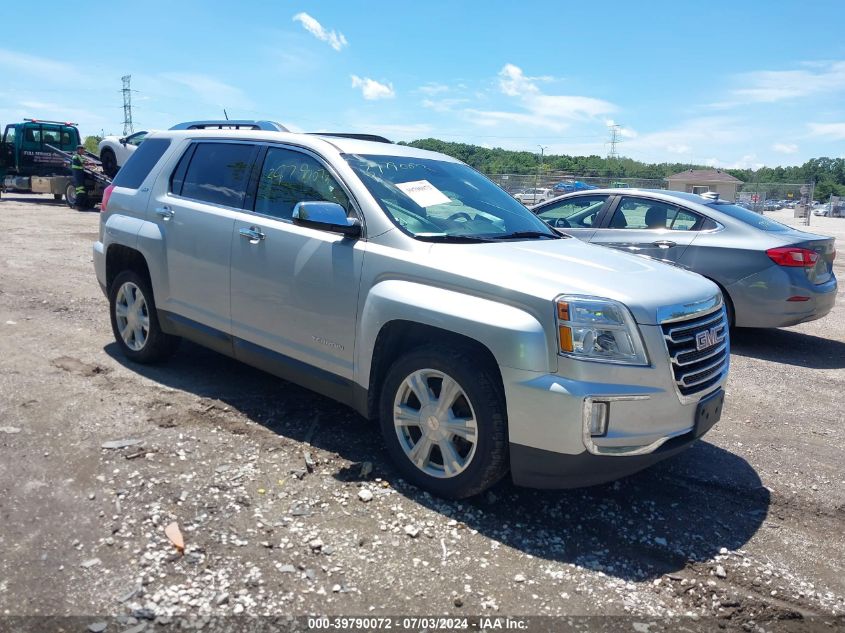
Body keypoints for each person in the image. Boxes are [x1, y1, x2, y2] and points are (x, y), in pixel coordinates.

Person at [71, 144, 88, 209]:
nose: (83, 151)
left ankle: (79, 205)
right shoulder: (76, 156)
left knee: (81, 190)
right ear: (79, 150)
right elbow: (82, 162)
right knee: (80, 190)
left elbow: (83, 161)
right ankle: (77, 205)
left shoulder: (80, 156)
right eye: (82, 149)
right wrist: (89, 163)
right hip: (78, 175)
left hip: (79, 174)